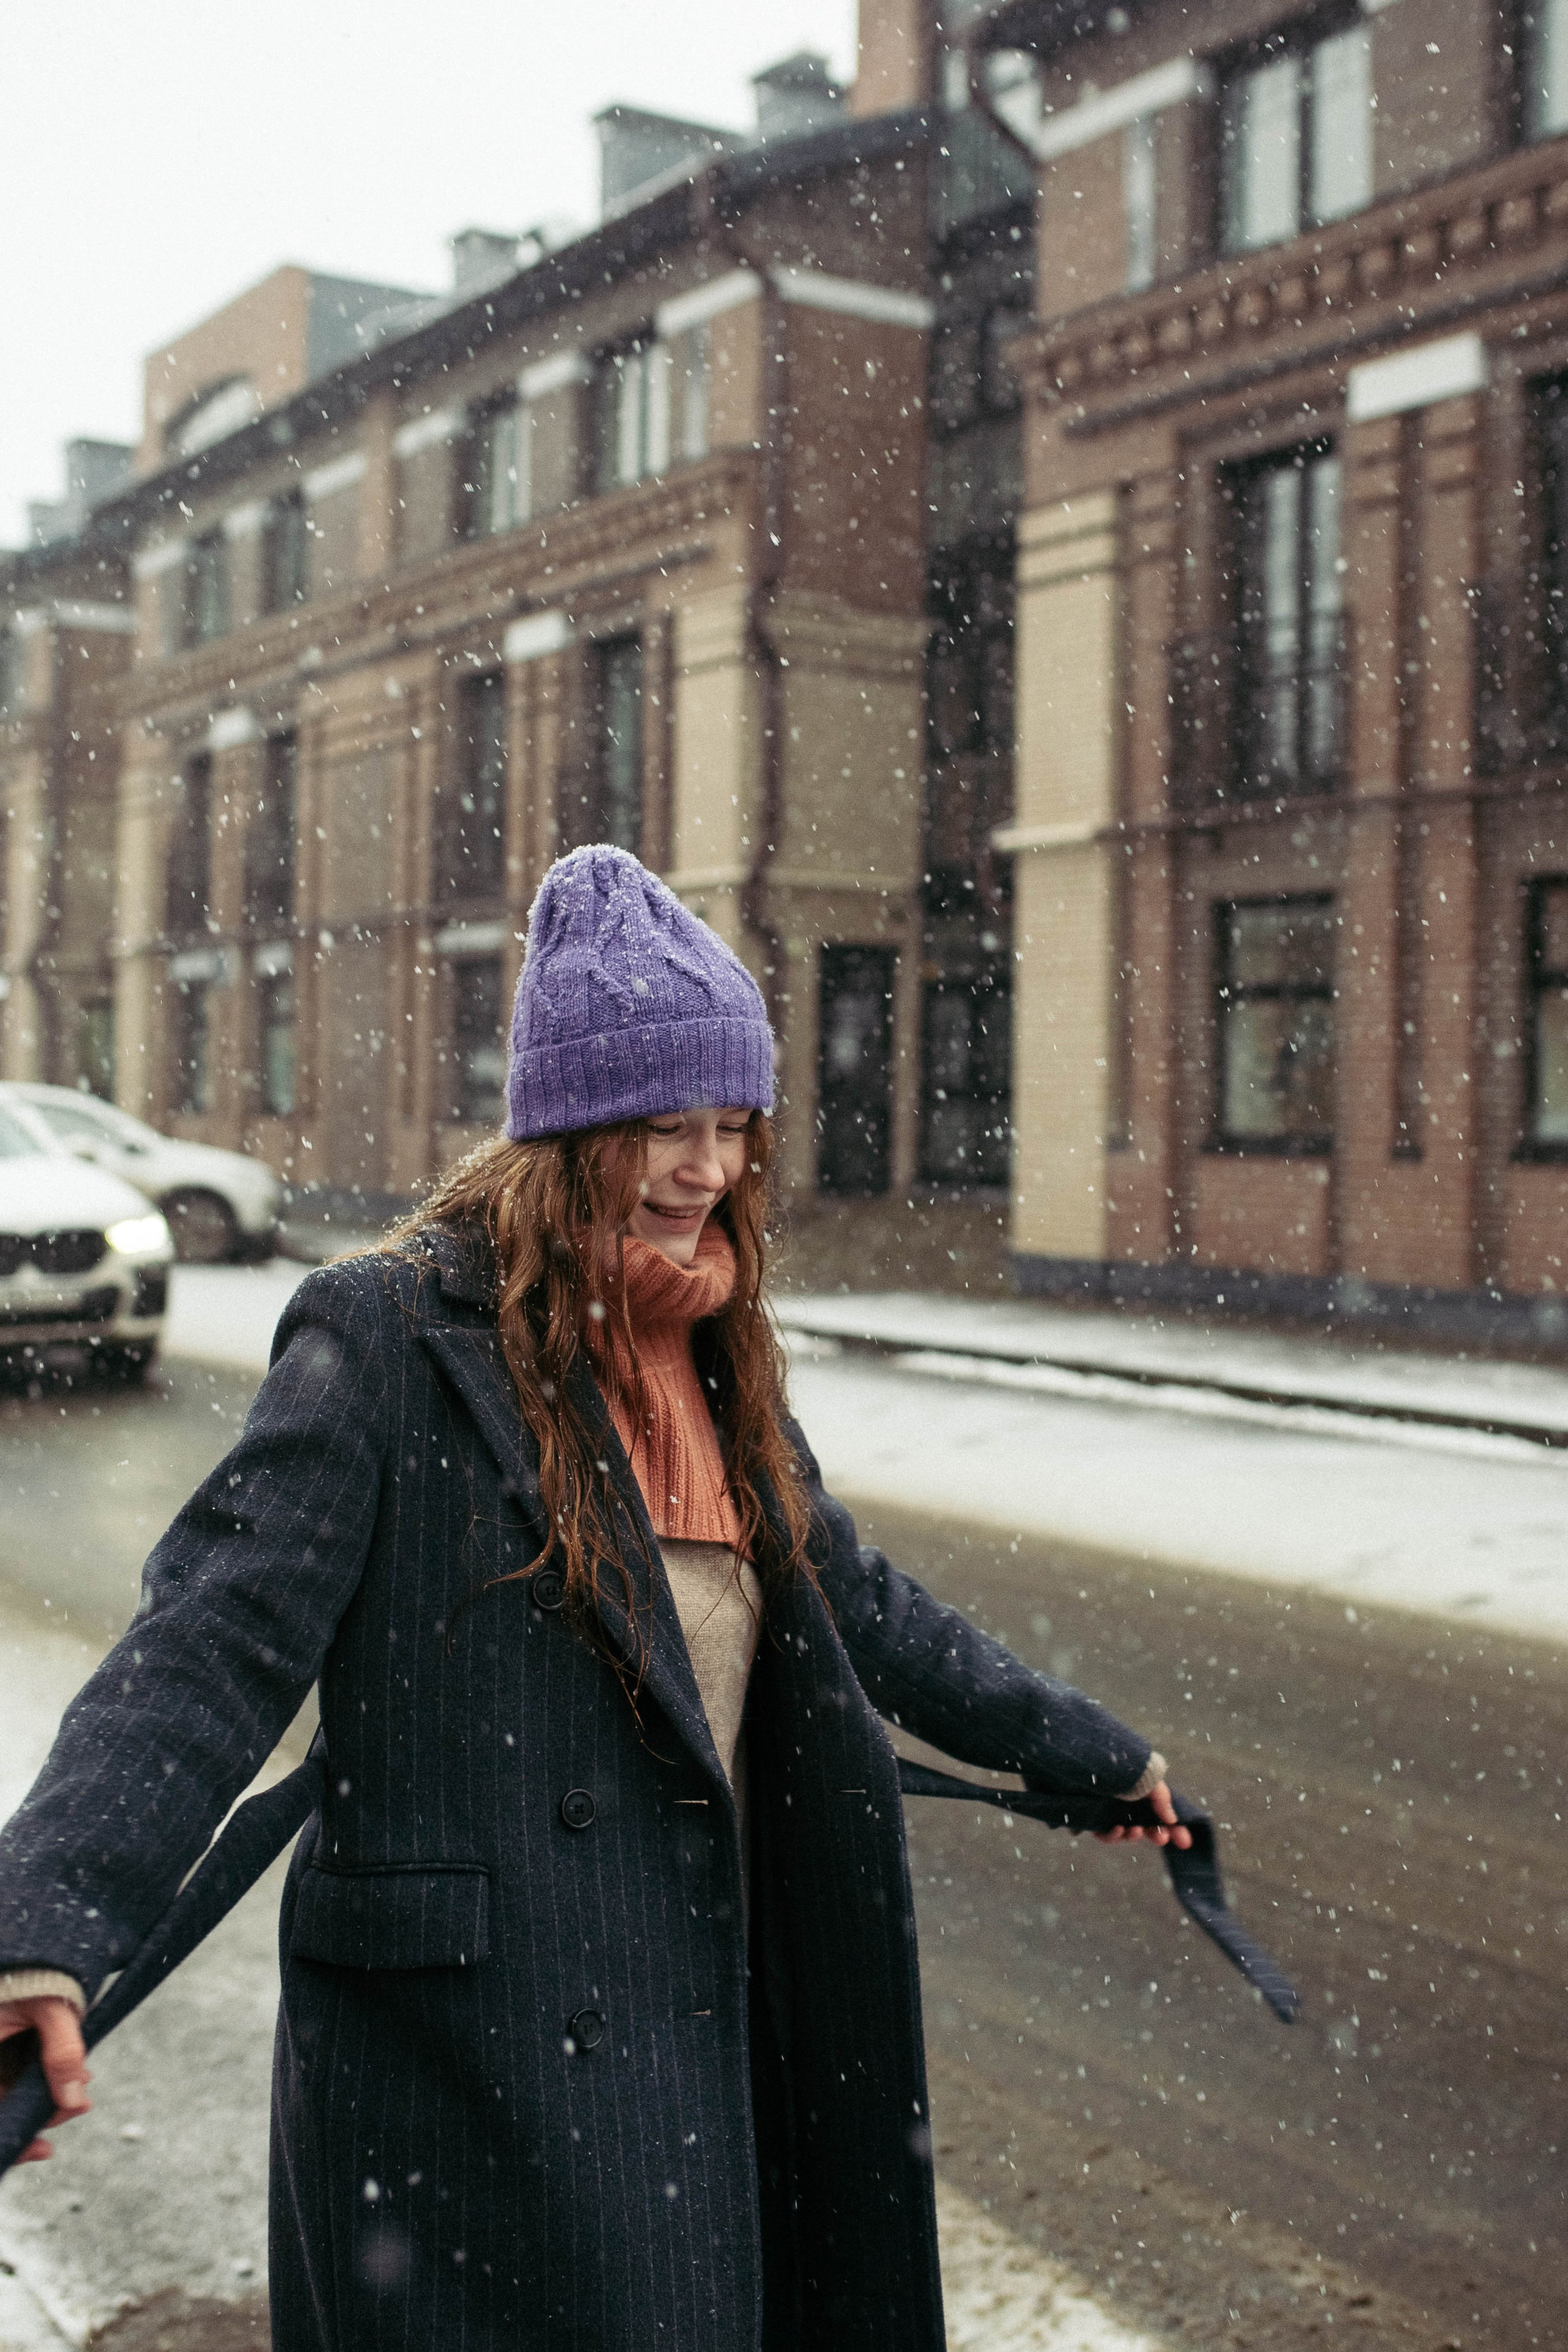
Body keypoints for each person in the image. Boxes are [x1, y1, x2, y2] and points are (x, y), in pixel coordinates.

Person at [0, 844, 1187, 2350]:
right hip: (467, 2061)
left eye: (731, 1127)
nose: (710, 1169)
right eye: (665, 1129)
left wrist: (1093, 1753)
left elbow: (862, 1605)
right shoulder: (389, 1334)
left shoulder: (714, 1357)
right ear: (566, 1137)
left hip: (699, 2014)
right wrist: (40, 1918)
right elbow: (208, 1644)